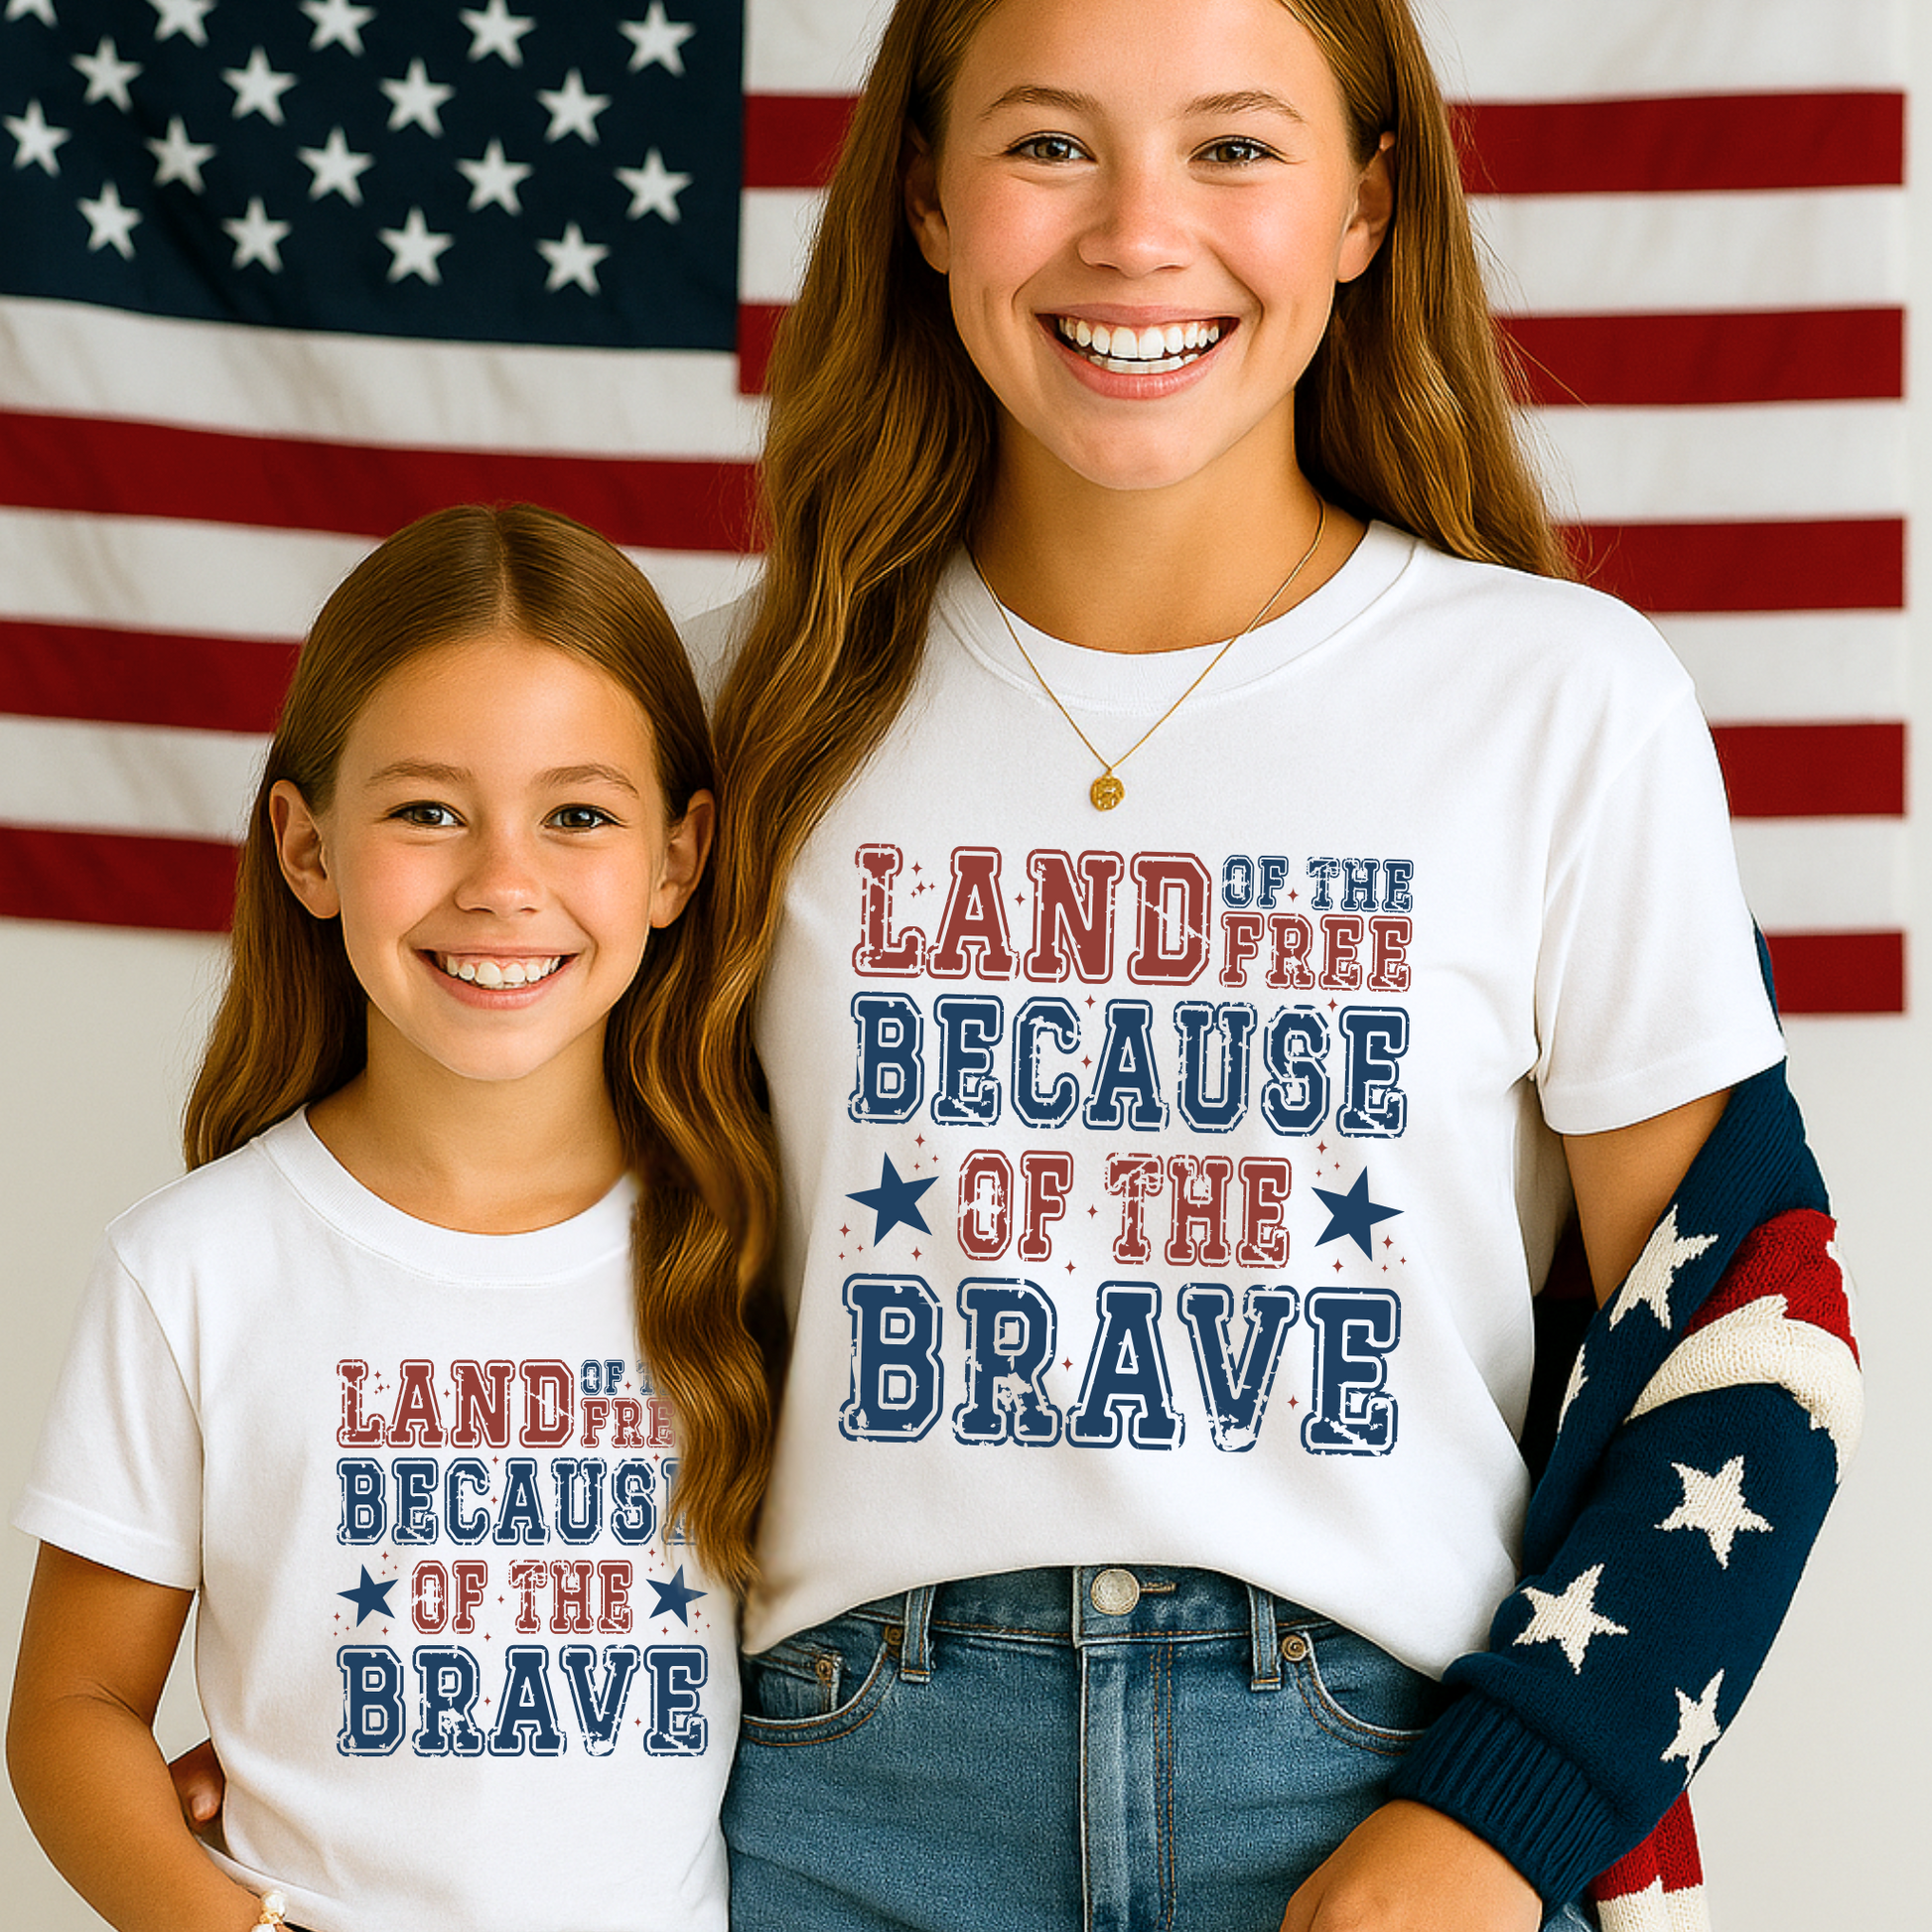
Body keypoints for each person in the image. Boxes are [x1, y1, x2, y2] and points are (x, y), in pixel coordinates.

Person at [691, 2, 1860, 1930]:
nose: (1136, 233)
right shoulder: (737, 711)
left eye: (1232, 146)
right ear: (918, 194)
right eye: (1049, 144)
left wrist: (1494, 1827)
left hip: (1382, 1785)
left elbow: (1751, 1330)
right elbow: (522, 1263)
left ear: (1363, 205)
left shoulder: (1561, 702)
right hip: (837, 1797)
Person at [6, 505, 775, 1932]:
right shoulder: (195, 1266)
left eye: (578, 814)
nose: (501, 881)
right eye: (427, 809)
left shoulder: (752, 1249)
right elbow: (71, 1704)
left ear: (678, 858)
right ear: (306, 846)